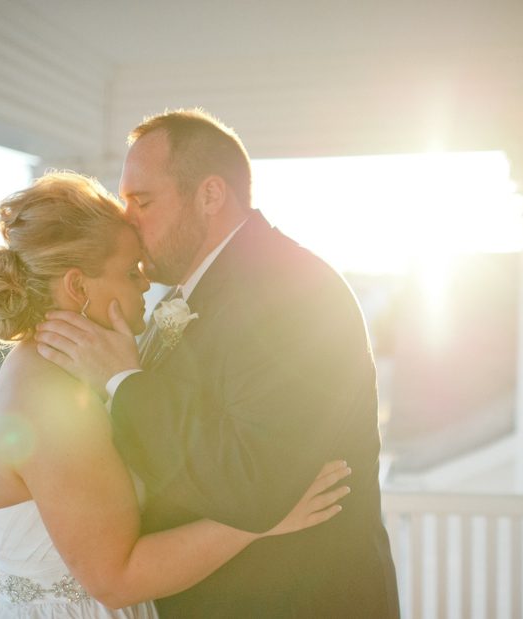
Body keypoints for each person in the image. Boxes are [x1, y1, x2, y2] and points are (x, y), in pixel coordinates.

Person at [36, 110, 400, 617]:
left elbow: (254, 481)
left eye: (142, 201)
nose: (128, 221)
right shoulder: (181, 297)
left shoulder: (292, 289)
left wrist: (124, 382)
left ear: (209, 195)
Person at [0, 172, 352, 619]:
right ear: (78, 287)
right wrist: (260, 521)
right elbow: (116, 578)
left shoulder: (49, 368)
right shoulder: (49, 397)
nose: (146, 284)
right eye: (130, 271)